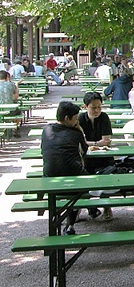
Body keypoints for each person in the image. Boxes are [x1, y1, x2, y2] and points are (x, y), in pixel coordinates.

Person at [41, 101, 88, 235]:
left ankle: (61, 221)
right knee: (85, 182)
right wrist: (80, 131)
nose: (77, 121)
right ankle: (70, 225)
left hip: (49, 176)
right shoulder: (75, 132)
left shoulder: (46, 130)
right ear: (67, 118)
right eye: (75, 119)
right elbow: (85, 151)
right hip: (73, 177)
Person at [78, 92, 114, 221]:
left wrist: (89, 144)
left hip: (104, 157)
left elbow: (106, 140)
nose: (97, 110)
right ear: (85, 107)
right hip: (86, 159)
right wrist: (96, 143)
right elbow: (79, 142)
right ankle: (79, 207)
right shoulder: (80, 119)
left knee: (106, 175)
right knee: (81, 177)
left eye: (99, 107)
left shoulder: (104, 117)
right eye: (93, 107)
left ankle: (106, 206)